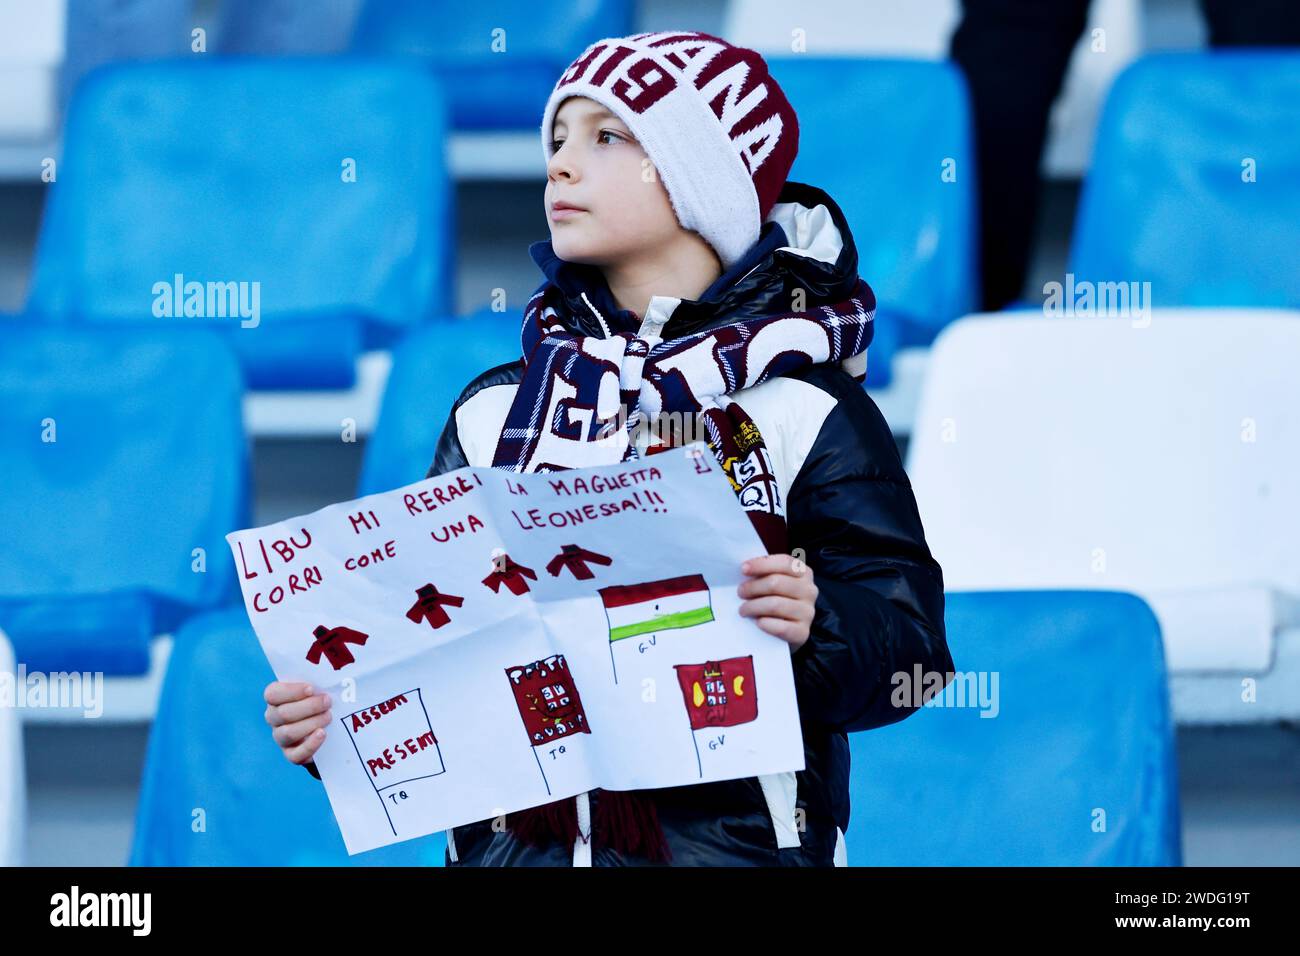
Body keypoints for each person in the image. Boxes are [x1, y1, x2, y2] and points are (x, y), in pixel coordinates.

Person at [263, 30, 953, 866]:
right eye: (556, 140)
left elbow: (912, 653)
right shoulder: (493, 412)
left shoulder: (806, 407)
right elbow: (431, 646)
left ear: (704, 185)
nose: (560, 164)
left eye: (607, 137)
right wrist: (339, 721)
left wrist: (820, 622)